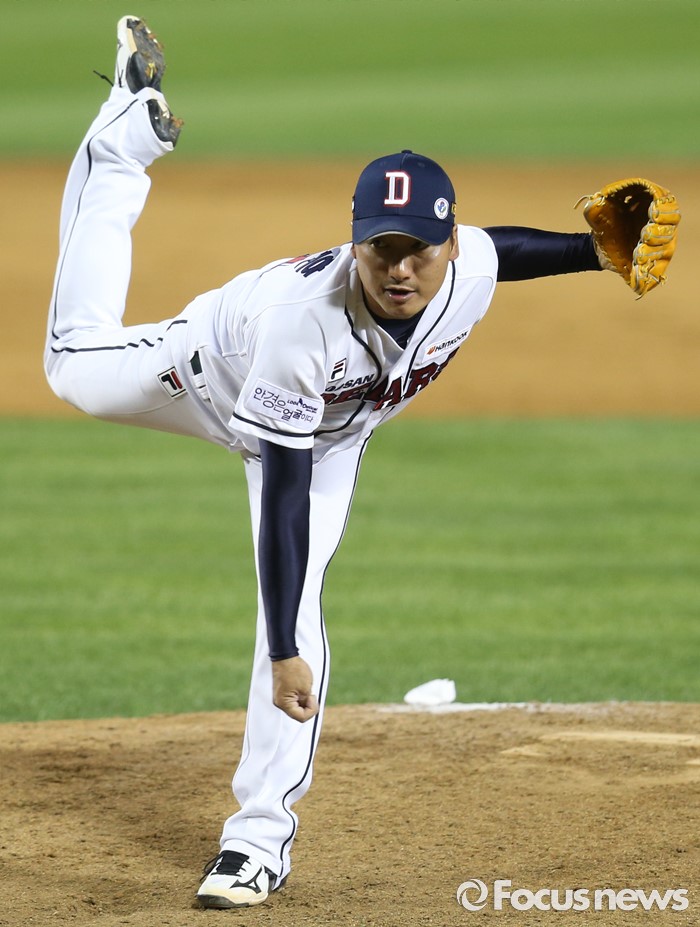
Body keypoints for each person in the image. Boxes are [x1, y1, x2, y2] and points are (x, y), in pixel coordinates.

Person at [47, 16, 612, 910]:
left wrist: (595, 251)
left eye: (418, 248)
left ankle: (255, 842)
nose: (399, 268)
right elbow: (282, 491)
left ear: (448, 245)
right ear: (356, 241)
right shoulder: (302, 330)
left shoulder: (464, 271)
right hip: (212, 373)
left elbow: (507, 251)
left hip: (330, 435)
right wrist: (280, 651)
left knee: (303, 603)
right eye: (381, 246)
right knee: (71, 368)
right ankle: (122, 145)